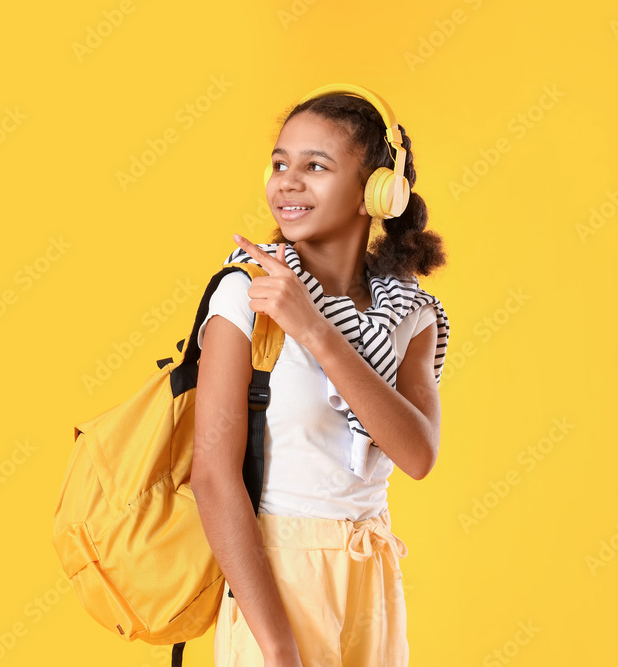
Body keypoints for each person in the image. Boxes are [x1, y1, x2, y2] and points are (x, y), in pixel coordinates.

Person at [190, 85, 450, 667]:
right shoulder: (246, 294)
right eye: (280, 163)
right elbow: (212, 476)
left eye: (315, 166)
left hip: (371, 580)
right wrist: (277, 647)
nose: (287, 180)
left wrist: (315, 330)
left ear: (376, 192)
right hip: (275, 584)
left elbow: (416, 454)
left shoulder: (410, 314)